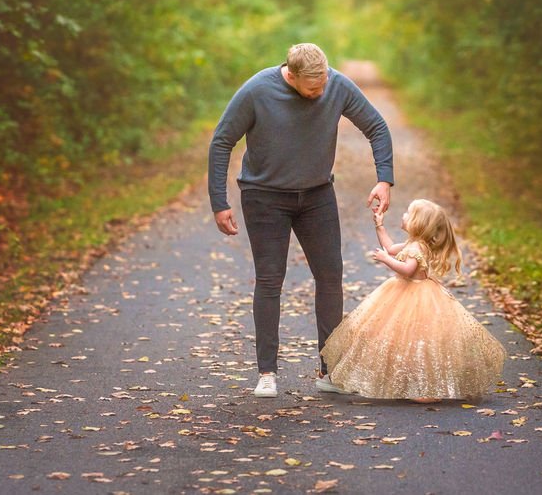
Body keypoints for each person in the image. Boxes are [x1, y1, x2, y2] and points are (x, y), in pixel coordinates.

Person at [208, 43, 394, 398]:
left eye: (324, 83)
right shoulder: (257, 91)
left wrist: (384, 178)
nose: (321, 92)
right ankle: (267, 373)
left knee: (330, 276)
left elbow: (376, 127)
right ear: (291, 76)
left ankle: (330, 370)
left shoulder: (336, 85)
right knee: (269, 279)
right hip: (264, 197)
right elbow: (221, 142)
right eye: (313, 87)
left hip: (317, 196)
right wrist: (219, 202)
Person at [321, 199, 506, 401]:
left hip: (416, 296)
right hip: (405, 291)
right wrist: (379, 225)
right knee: (406, 341)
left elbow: (407, 270)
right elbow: (390, 247)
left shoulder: (417, 247)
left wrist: (386, 260)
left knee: (416, 342)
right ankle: (411, 383)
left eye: (408, 213)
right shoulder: (414, 243)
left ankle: (423, 387)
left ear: (418, 223)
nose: (404, 215)